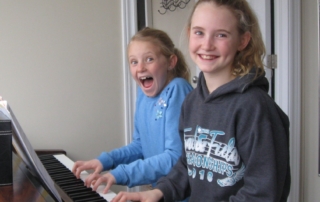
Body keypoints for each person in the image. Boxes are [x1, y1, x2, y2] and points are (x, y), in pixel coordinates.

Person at [111, 0, 291, 201]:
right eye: (199, 32)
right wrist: (158, 192)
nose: (207, 44)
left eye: (221, 34)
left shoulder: (256, 108)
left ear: (243, 41)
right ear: (189, 34)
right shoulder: (191, 102)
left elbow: (262, 194)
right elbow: (188, 165)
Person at [72, 27, 193, 194]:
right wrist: (105, 161)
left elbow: (175, 157)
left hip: (180, 194)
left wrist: (120, 174)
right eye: (134, 62)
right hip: (157, 190)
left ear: (171, 62)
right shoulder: (143, 95)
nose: (141, 68)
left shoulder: (177, 89)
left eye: (149, 59)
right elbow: (140, 146)